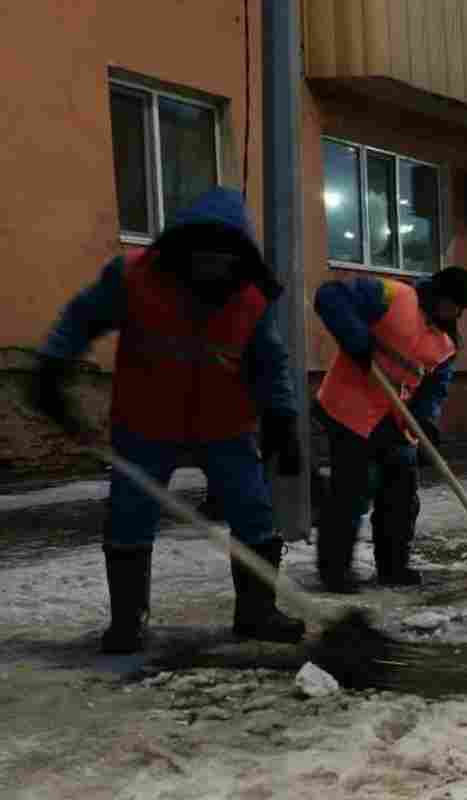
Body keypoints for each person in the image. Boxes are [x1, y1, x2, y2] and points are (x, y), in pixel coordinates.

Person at [26, 188, 306, 652]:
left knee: (253, 509)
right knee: (130, 513)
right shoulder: (135, 278)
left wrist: (282, 417)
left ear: (238, 259)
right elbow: (80, 319)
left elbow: (269, 362)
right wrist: (52, 368)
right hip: (146, 422)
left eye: (223, 261)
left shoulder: (251, 300)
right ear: (183, 250)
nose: (213, 270)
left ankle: (257, 613)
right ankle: (128, 620)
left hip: (225, 423)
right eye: (203, 259)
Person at [312, 267, 467, 593]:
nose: (456, 313)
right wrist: (355, 337)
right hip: (348, 406)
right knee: (352, 490)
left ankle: (393, 566)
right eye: (454, 304)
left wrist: (425, 421)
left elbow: (433, 389)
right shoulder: (395, 295)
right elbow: (329, 296)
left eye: (461, 309)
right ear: (440, 295)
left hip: (394, 418)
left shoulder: (446, 344)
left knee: (401, 491)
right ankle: (335, 570)